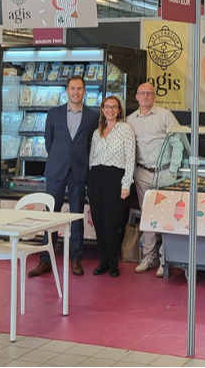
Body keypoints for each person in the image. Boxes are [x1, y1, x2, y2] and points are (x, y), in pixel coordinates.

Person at [29, 76, 99, 278]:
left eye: (79, 89)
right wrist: (62, 157)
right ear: (66, 91)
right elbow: (49, 142)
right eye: (72, 88)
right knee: (51, 214)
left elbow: (89, 145)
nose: (76, 92)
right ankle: (45, 259)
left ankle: (76, 258)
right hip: (56, 170)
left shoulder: (92, 117)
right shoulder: (54, 114)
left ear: (84, 92)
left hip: (78, 171)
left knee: (76, 215)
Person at [126, 83, 182, 276]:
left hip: (165, 173)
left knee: (166, 217)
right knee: (148, 216)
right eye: (142, 93)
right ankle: (149, 257)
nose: (145, 97)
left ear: (154, 96)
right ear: (137, 97)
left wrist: (173, 171)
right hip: (142, 173)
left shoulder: (165, 115)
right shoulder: (130, 120)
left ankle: (165, 258)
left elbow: (178, 142)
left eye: (149, 93)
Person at [88, 96, 136, 278]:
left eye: (114, 107)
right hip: (96, 178)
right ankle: (103, 261)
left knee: (112, 221)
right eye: (107, 107)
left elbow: (130, 159)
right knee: (99, 221)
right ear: (102, 109)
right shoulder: (97, 132)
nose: (110, 110)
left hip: (115, 178)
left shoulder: (126, 129)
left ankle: (114, 262)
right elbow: (92, 158)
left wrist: (126, 184)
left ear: (119, 110)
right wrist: (89, 182)